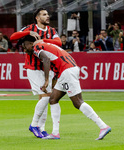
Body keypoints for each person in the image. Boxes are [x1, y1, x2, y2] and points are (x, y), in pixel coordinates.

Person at [22, 35, 111, 140]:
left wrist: (46, 81)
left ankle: (103, 126)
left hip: (66, 71)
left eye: (25, 46)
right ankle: (55, 133)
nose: (24, 50)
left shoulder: (37, 47)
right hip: (69, 69)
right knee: (53, 99)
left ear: (31, 44)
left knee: (78, 102)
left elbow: (46, 59)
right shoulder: (48, 45)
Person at [10, 8, 62, 138]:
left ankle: (41, 128)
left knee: (45, 98)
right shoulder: (30, 28)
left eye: (48, 14)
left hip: (48, 68)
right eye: (44, 15)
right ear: (37, 18)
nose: (47, 16)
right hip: (33, 68)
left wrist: (42, 41)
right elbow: (12, 37)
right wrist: (28, 32)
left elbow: (59, 42)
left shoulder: (51, 30)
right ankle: (34, 125)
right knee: (46, 96)